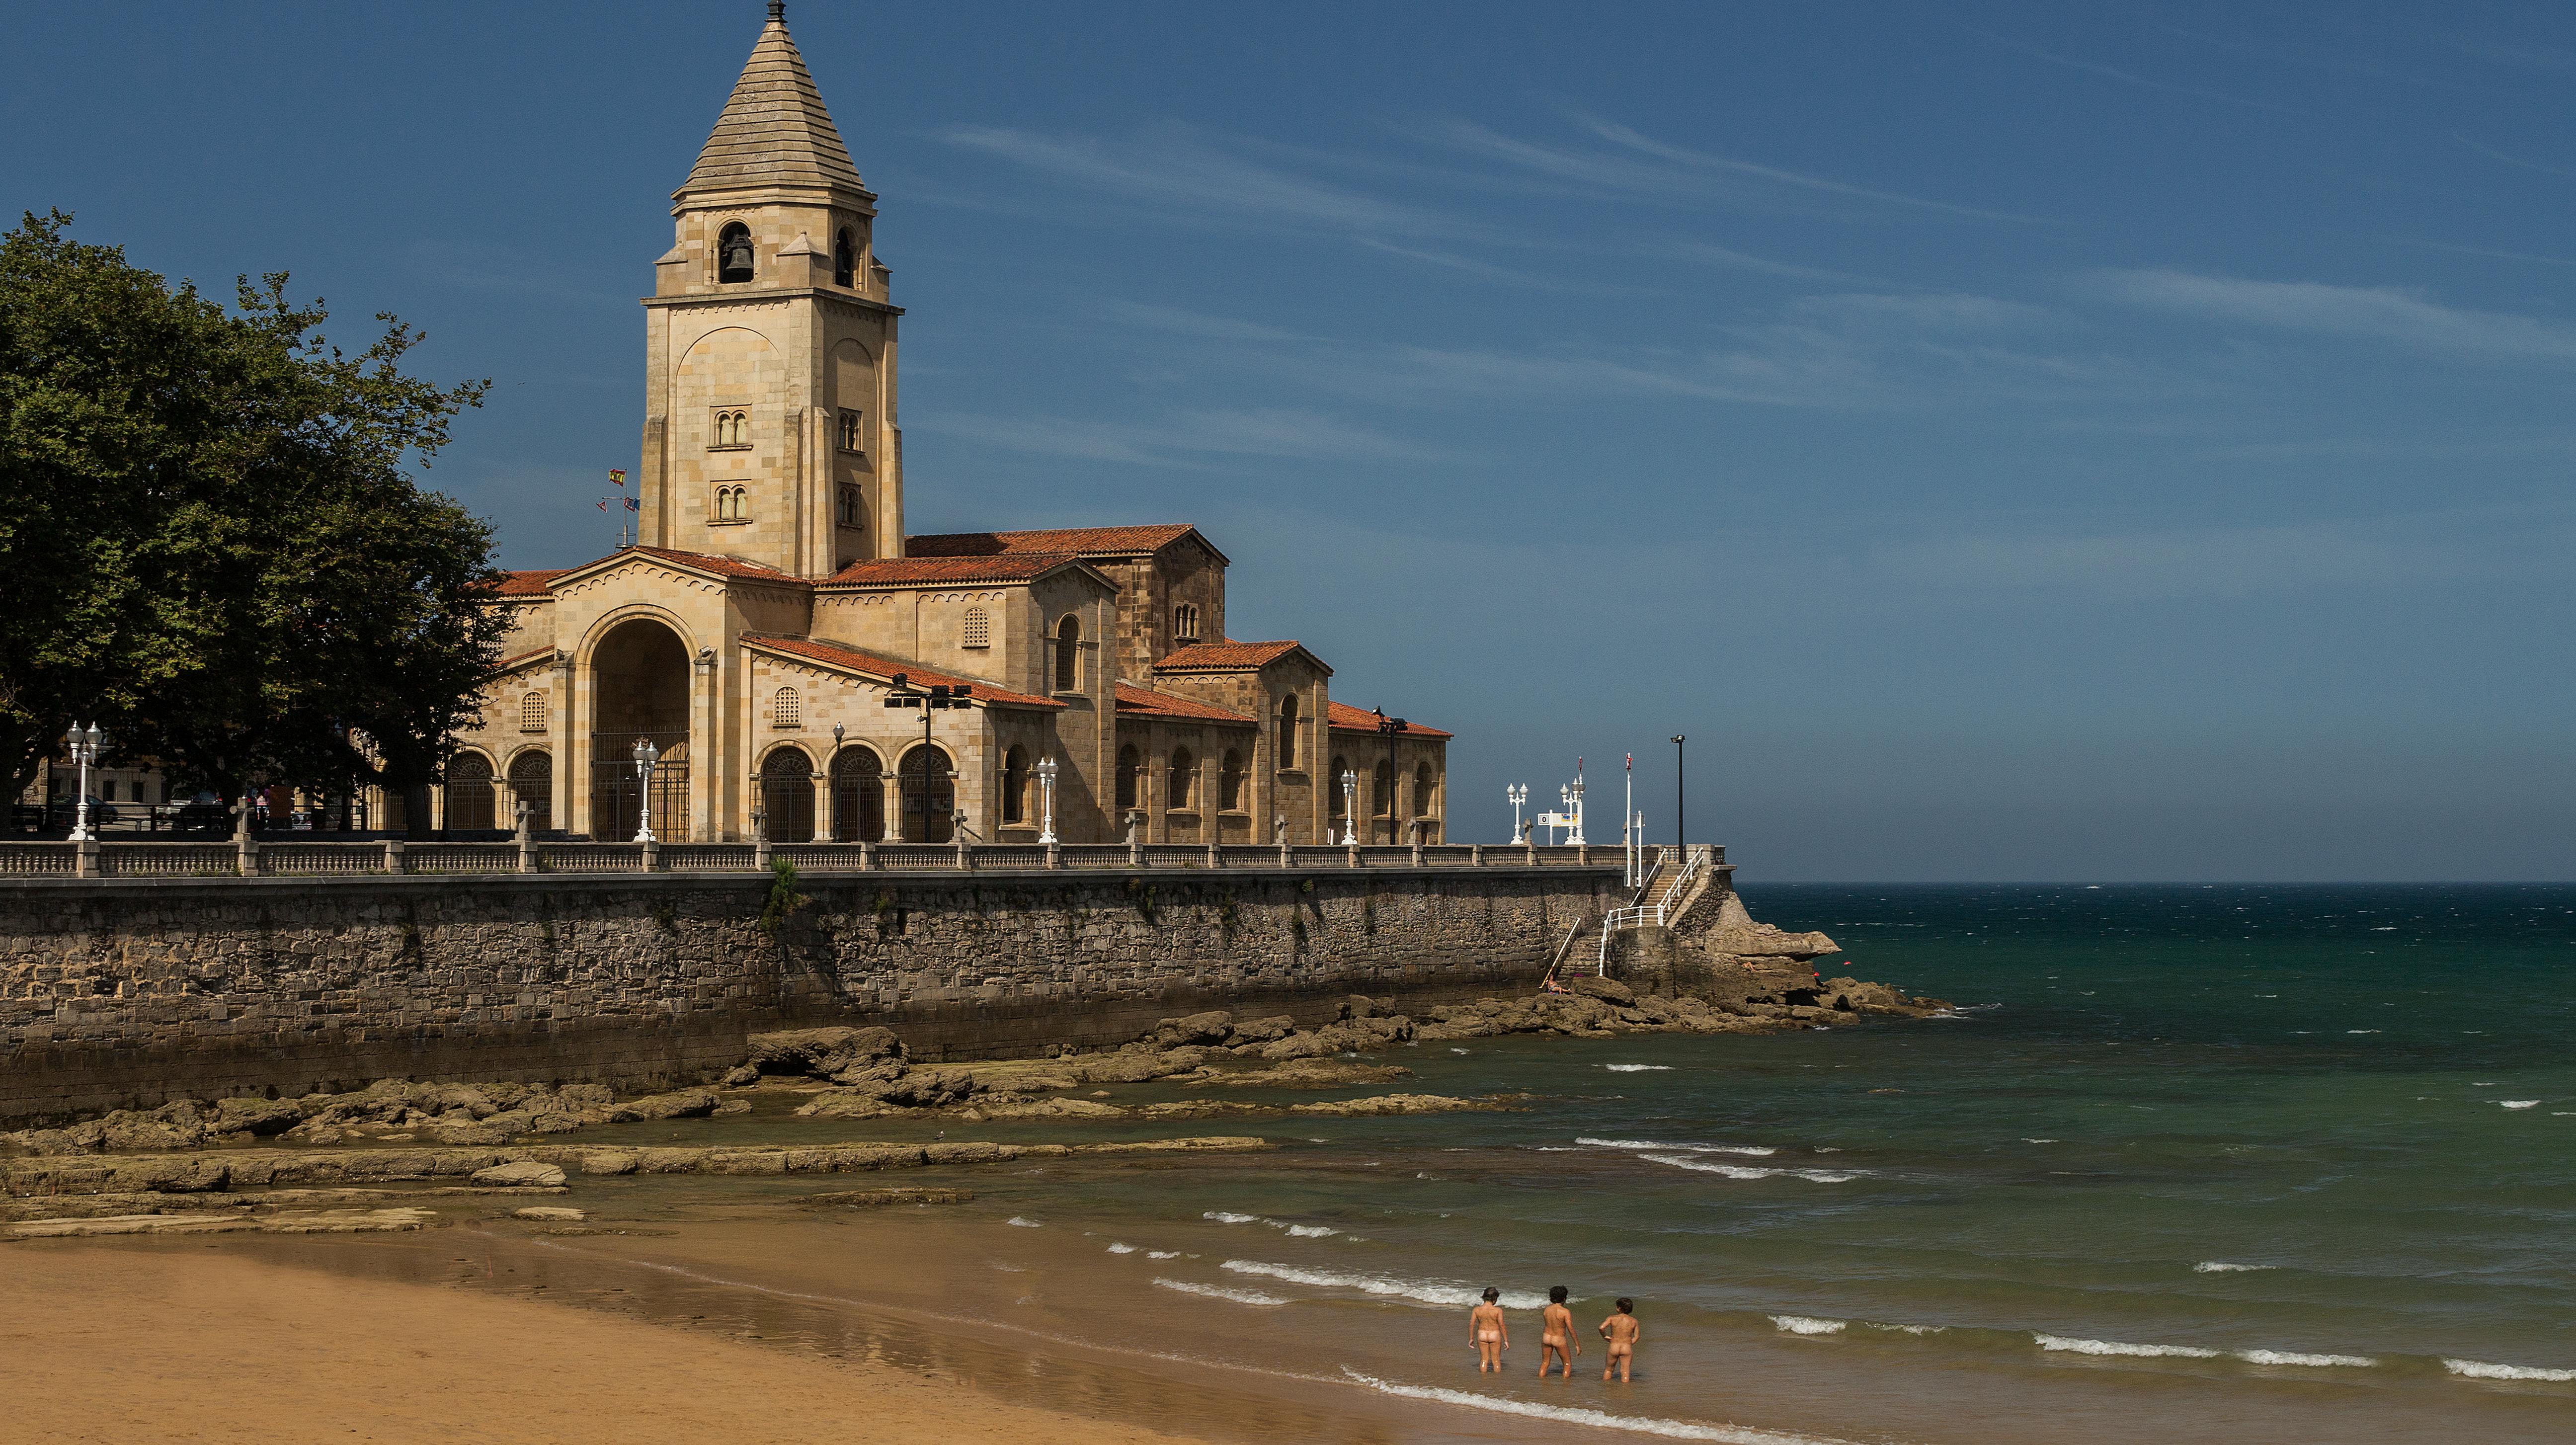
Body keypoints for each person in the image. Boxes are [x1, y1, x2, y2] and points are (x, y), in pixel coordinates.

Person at [1538, 1285, 1581, 1377]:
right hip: (1558, 1339)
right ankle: (1565, 1385)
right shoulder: (1565, 1312)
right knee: (1567, 1364)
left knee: (1545, 1362)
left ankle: (1541, 1380)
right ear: (1564, 1299)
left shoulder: (1547, 1309)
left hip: (1546, 1338)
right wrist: (1577, 1345)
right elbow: (1571, 1329)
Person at [1599, 1297, 1641, 1382]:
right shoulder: (1634, 1321)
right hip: (1626, 1347)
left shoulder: (1612, 1318)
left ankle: (1605, 1387)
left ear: (1619, 1308)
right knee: (1625, 1371)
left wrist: (1605, 1336)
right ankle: (1625, 1389)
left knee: (1609, 1369)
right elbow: (1637, 1337)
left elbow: (1601, 1328)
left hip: (1614, 1346)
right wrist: (1630, 1343)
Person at [1468, 1287, 1508, 1372]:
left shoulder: (1477, 1310)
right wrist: (1506, 1340)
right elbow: (1502, 1325)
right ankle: (1496, 1379)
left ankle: (1483, 1379)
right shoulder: (1498, 1310)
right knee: (1496, 1360)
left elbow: (1472, 1324)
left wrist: (1471, 1338)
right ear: (1494, 1298)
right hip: (1494, 1335)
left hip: (1482, 1335)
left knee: (1484, 1360)